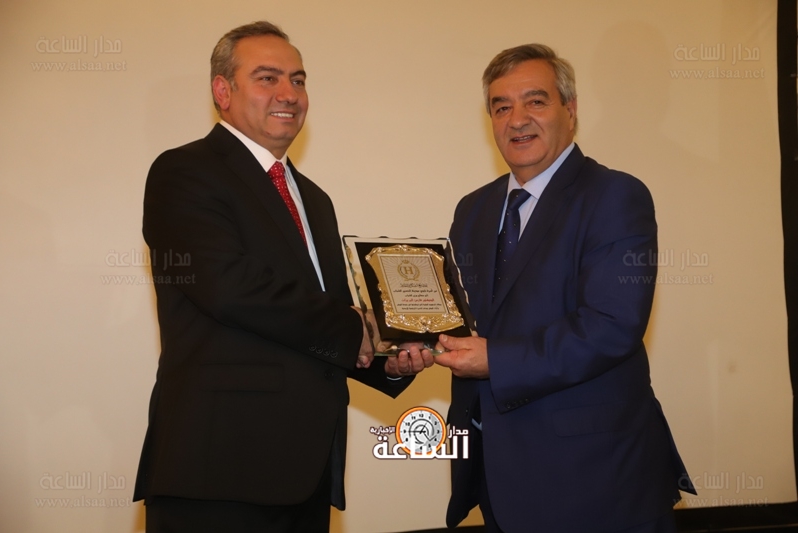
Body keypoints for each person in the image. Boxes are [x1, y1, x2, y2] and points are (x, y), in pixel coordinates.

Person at [133, 21, 432, 533]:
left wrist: (389, 353)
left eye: (298, 79)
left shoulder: (314, 199)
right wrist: (354, 328)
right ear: (222, 91)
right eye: (267, 78)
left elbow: (324, 317)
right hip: (217, 473)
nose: (289, 94)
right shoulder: (184, 171)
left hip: (307, 476)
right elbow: (230, 288)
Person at [432, 44, 696, 532]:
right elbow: (463, 318)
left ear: (570, 110)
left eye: (535, 101)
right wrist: (414, 343)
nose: (517, 120)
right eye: (501, 107)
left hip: (597, 478)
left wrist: (497, 360)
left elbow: (612, 324)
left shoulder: (615, 195)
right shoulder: (473, 209)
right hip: (498, 473)